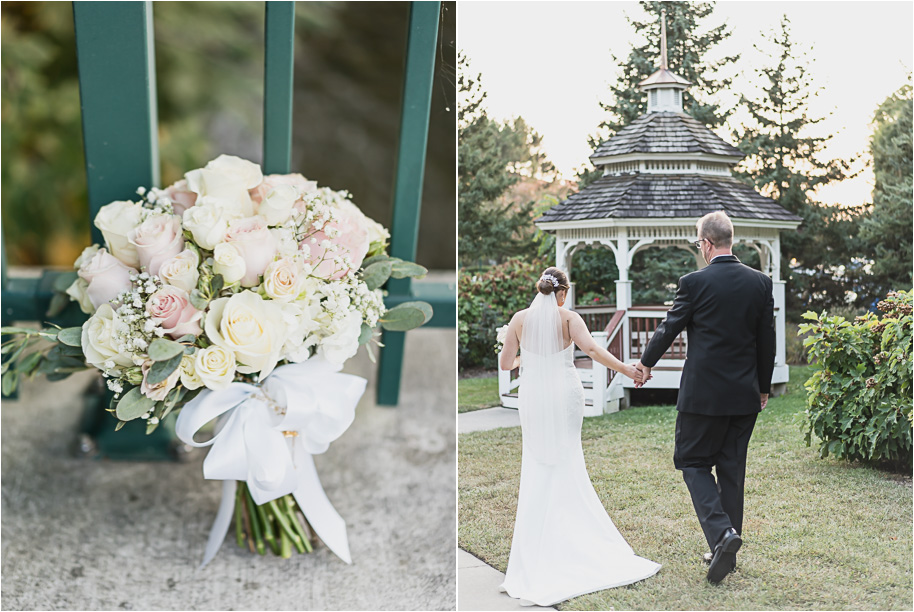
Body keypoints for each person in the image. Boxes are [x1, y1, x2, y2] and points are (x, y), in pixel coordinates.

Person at [497, 267, 660, 607]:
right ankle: (572, 538)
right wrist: (628, 369)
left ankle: (535, 553)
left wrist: (535, 356)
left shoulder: (518, 319)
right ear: (563, 293)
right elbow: (594, 352)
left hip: (533, 396)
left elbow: (505, 363)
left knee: (538, 463)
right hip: (565, 393)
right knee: (567, 459)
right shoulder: (569, 319)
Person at [635, 211, 775, 584]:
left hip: (702, 397)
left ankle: (723, 535)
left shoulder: (693, 283)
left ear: (708, 244)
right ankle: (722, 550)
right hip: (744, 396)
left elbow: (669, 327)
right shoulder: (760, 283)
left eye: (699, 244)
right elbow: (767, 340)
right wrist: (763, 386)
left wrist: (646, 364)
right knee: (731, 469)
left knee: (692, 461)